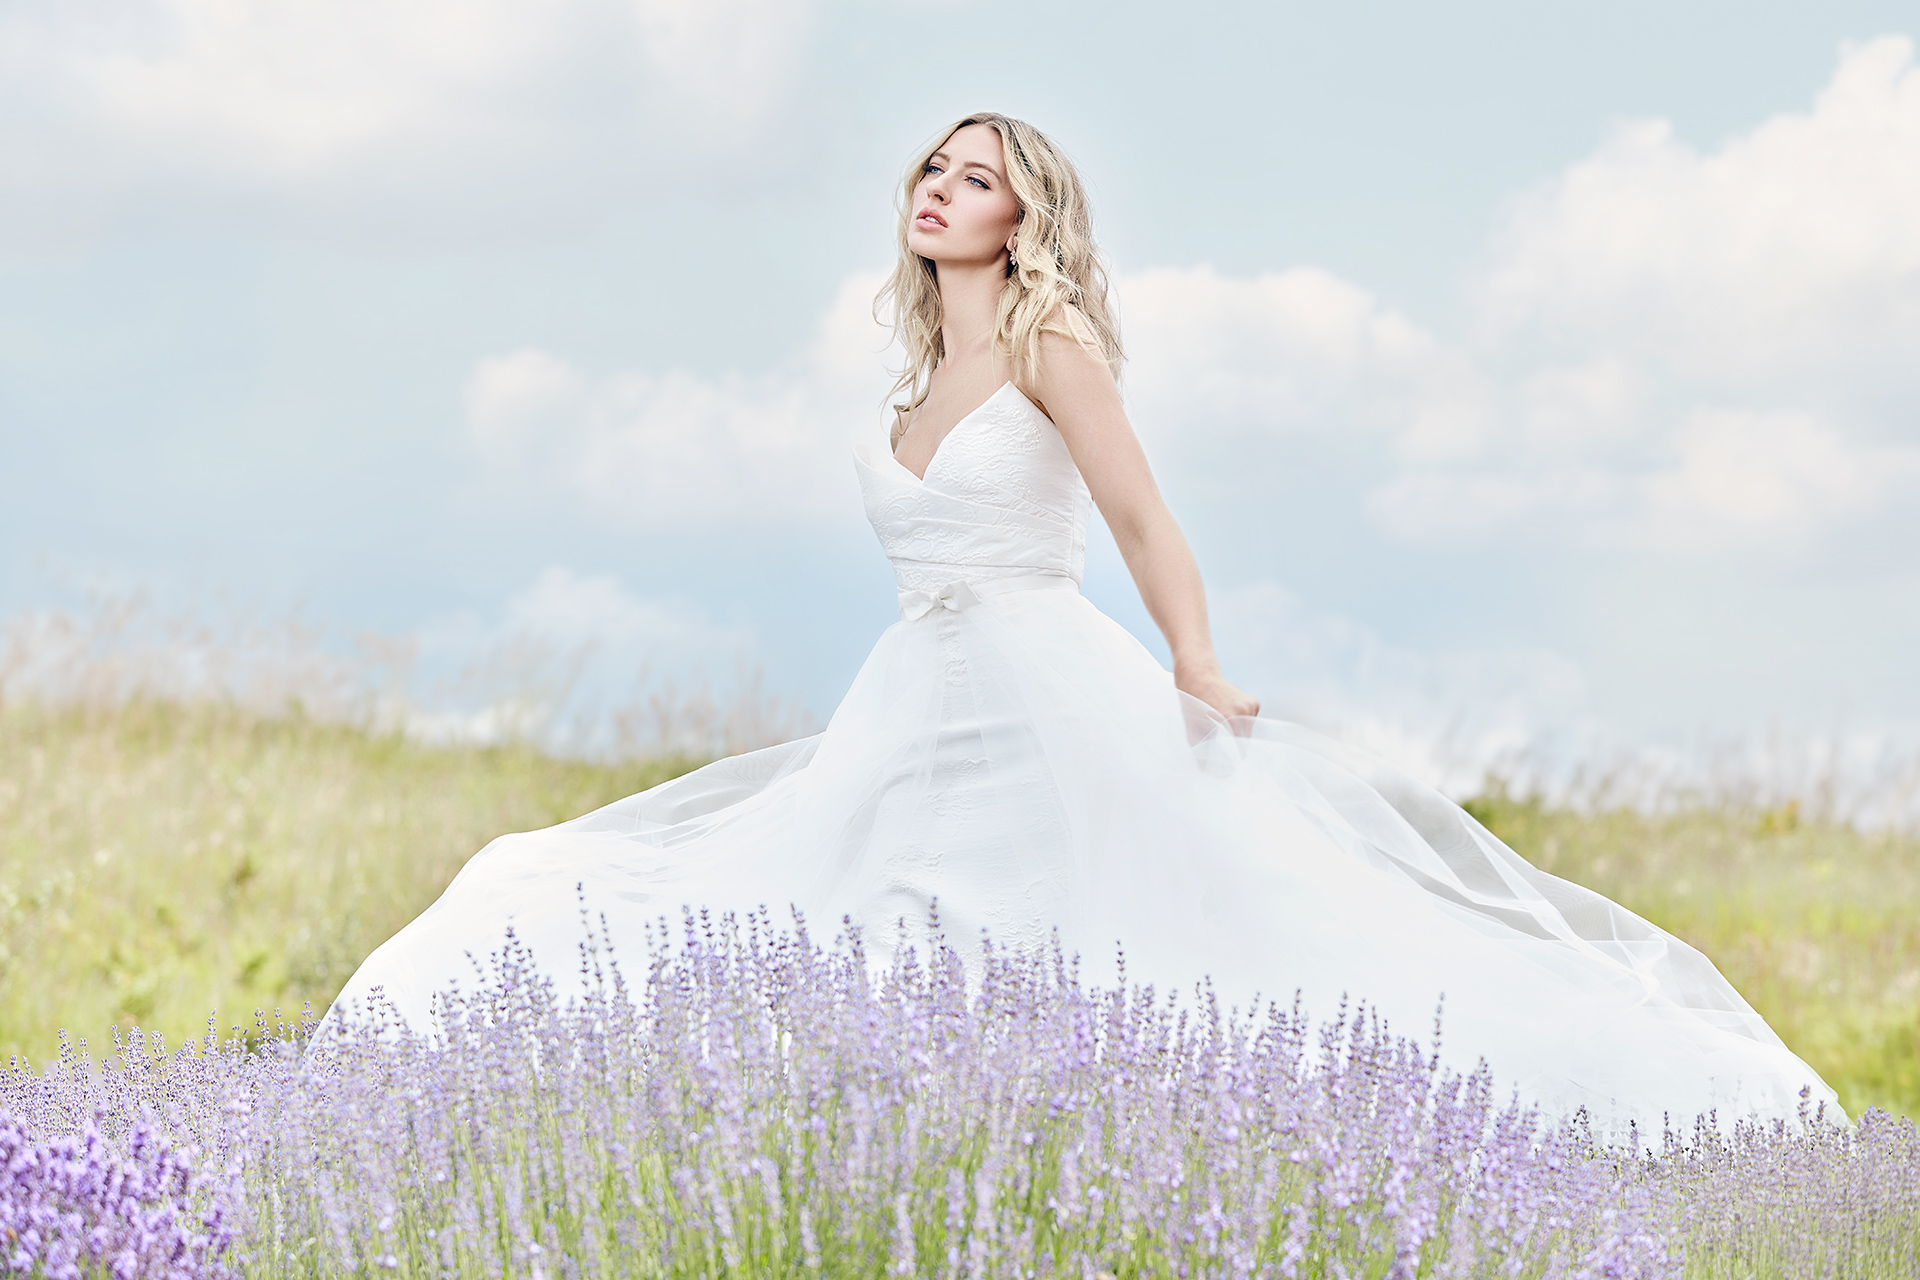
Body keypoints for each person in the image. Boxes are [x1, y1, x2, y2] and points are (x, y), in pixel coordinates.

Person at [327, 113, 1840, 1132]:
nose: (940, 187)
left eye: (976, 176)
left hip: (1049, 679)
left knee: (1173, 941)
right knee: (831, 928)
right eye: (931, 168)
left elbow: (1140, 516)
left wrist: (1193, 657)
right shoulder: (907, 387)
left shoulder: (1054, 343)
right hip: (912, 695)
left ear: (1026, 214)